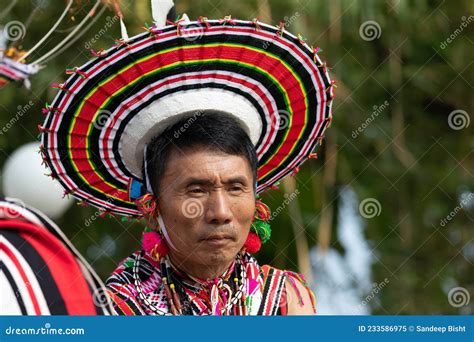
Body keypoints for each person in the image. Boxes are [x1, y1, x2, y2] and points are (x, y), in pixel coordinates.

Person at [39, 7, 335, 315]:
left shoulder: (286, 299)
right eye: (196, 190)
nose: (220, 213)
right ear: (152, 209)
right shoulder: (115, 311)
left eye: (236, 188)